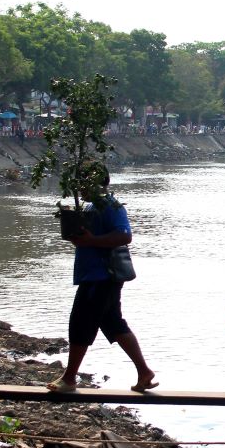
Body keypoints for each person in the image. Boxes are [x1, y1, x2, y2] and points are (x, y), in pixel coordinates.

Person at [47, 163, 157, 393]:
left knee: (80, 322)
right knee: (114, 323)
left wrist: (90, 241)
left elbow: (125, 236)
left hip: (102, 276)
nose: (80, 187)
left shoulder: (111, 206)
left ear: (97, 182)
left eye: (84, 182)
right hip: (95, 274)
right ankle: (144, 372)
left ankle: (69, 378)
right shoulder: (89, 207)